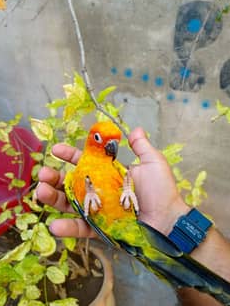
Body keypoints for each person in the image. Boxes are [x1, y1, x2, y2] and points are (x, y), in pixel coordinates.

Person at [37, 127, 230, 306]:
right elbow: (87, 215)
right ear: (90, 140)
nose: (109, 146)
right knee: (163, 262)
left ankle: (209, 286)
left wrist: (136, 195)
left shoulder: (119, 170)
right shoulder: (71, 180)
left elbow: (127, 188)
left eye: (113, 142)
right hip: (110, 227)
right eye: (99, 139)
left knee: (167, 261)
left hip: (130, 222)